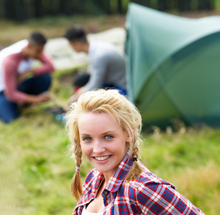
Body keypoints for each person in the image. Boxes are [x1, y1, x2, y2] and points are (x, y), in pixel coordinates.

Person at [66, 89, 205, 215]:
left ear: (129, 134)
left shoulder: (143, 189)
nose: (97, 149)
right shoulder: (93, 179)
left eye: (108, 137)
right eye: (87, 138)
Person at [0, 31, 55, 123]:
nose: (40, 54)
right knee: (11, 119)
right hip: (0, 91)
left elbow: (51, 67)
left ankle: (23, 103)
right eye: (38, 51)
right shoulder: (10, 61)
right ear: (29, 46)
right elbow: (10, 94)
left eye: (42, 51)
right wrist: (37, 99)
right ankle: (1, 109)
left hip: (17, 85)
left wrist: (29, 72)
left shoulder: (34, 46)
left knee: (45, 78)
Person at [64, 26, 127, 105]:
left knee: (84, 91)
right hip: (111, 80)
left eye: (70, 45)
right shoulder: (95, 47)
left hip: (121, 87)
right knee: (82, 80)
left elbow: (95, 84)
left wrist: (76, 97)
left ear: (77, 44)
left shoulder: (98, 56)